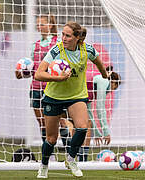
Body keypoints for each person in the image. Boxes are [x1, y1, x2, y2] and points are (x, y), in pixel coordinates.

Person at [34, 21, 108, 178]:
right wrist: (58, 79)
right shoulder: (56, 50)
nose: (63, 38)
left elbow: (99, 62)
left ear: (77, 38)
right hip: (54, 97)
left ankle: (71, 159)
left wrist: (105, 75)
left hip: (76, 96)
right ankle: (44, 165)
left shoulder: (87, 50)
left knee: (82, 127)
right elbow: (38, 74)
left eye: (67, 35)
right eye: (62, 34)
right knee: (52, 139)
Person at [15, 14, 71, 159]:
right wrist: (21, 73)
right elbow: (31, 68)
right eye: (38, 24)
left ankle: (69, 152)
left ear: (50, 25)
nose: (40, 27)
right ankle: (50, 155)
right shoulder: (35, 45)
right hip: (35, 87)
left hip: (53, 88)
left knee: (61, 121)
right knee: (42, 123)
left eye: (43, 24)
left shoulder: (58, 43)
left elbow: (63, 64)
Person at [78, 66, 121, 161]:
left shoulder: (91, 89)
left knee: (82, 125)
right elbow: (100, 108)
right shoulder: (103, 80)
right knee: (81, 126)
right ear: (113, 82)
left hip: (73, 95)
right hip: (67, 94)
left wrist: (97, 133)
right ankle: (79, 158)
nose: (111, 91)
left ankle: (81, 159)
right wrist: (106, 132)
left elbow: (89, 112)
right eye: (114, 87)